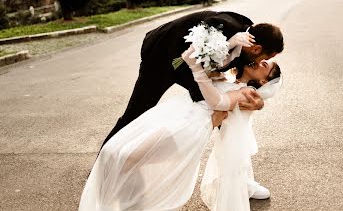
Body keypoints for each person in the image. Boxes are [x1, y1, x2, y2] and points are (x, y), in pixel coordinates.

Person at [48, 45, 282, 211]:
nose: (264, 63)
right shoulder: (228, 73)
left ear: (263, 81)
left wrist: (199, 71)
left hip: (189, 129)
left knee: (127, 158)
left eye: (269, 67)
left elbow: (218, 101)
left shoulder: (247, 94)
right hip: (178, 117)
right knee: (116, 153)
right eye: (266, 60)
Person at [100, 10, 284, 149]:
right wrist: (227, 44)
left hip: (190, 67)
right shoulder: (225, 27)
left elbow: (242, 82)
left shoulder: (248, 48)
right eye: (266, 59)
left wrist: (258, 101)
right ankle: (104, 162)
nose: (262, 64)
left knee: (224, 113)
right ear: (257, 49)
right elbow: (197, 48)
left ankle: (237, 174)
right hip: (162, 56)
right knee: (136, 112)